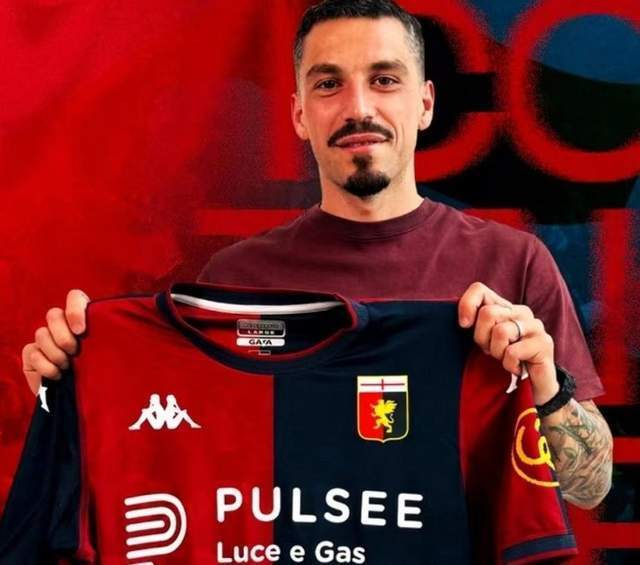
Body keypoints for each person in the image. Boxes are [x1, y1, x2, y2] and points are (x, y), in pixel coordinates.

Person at [20, 0, 612, 510]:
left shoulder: (513, 263)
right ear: (300, 114)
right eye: (329, 84)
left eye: (385, 80)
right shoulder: (236, 280)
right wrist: (72, 384)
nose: (358, 108)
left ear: (425, 103)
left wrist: (547, 382)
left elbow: (591, 488)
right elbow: (174, 459)